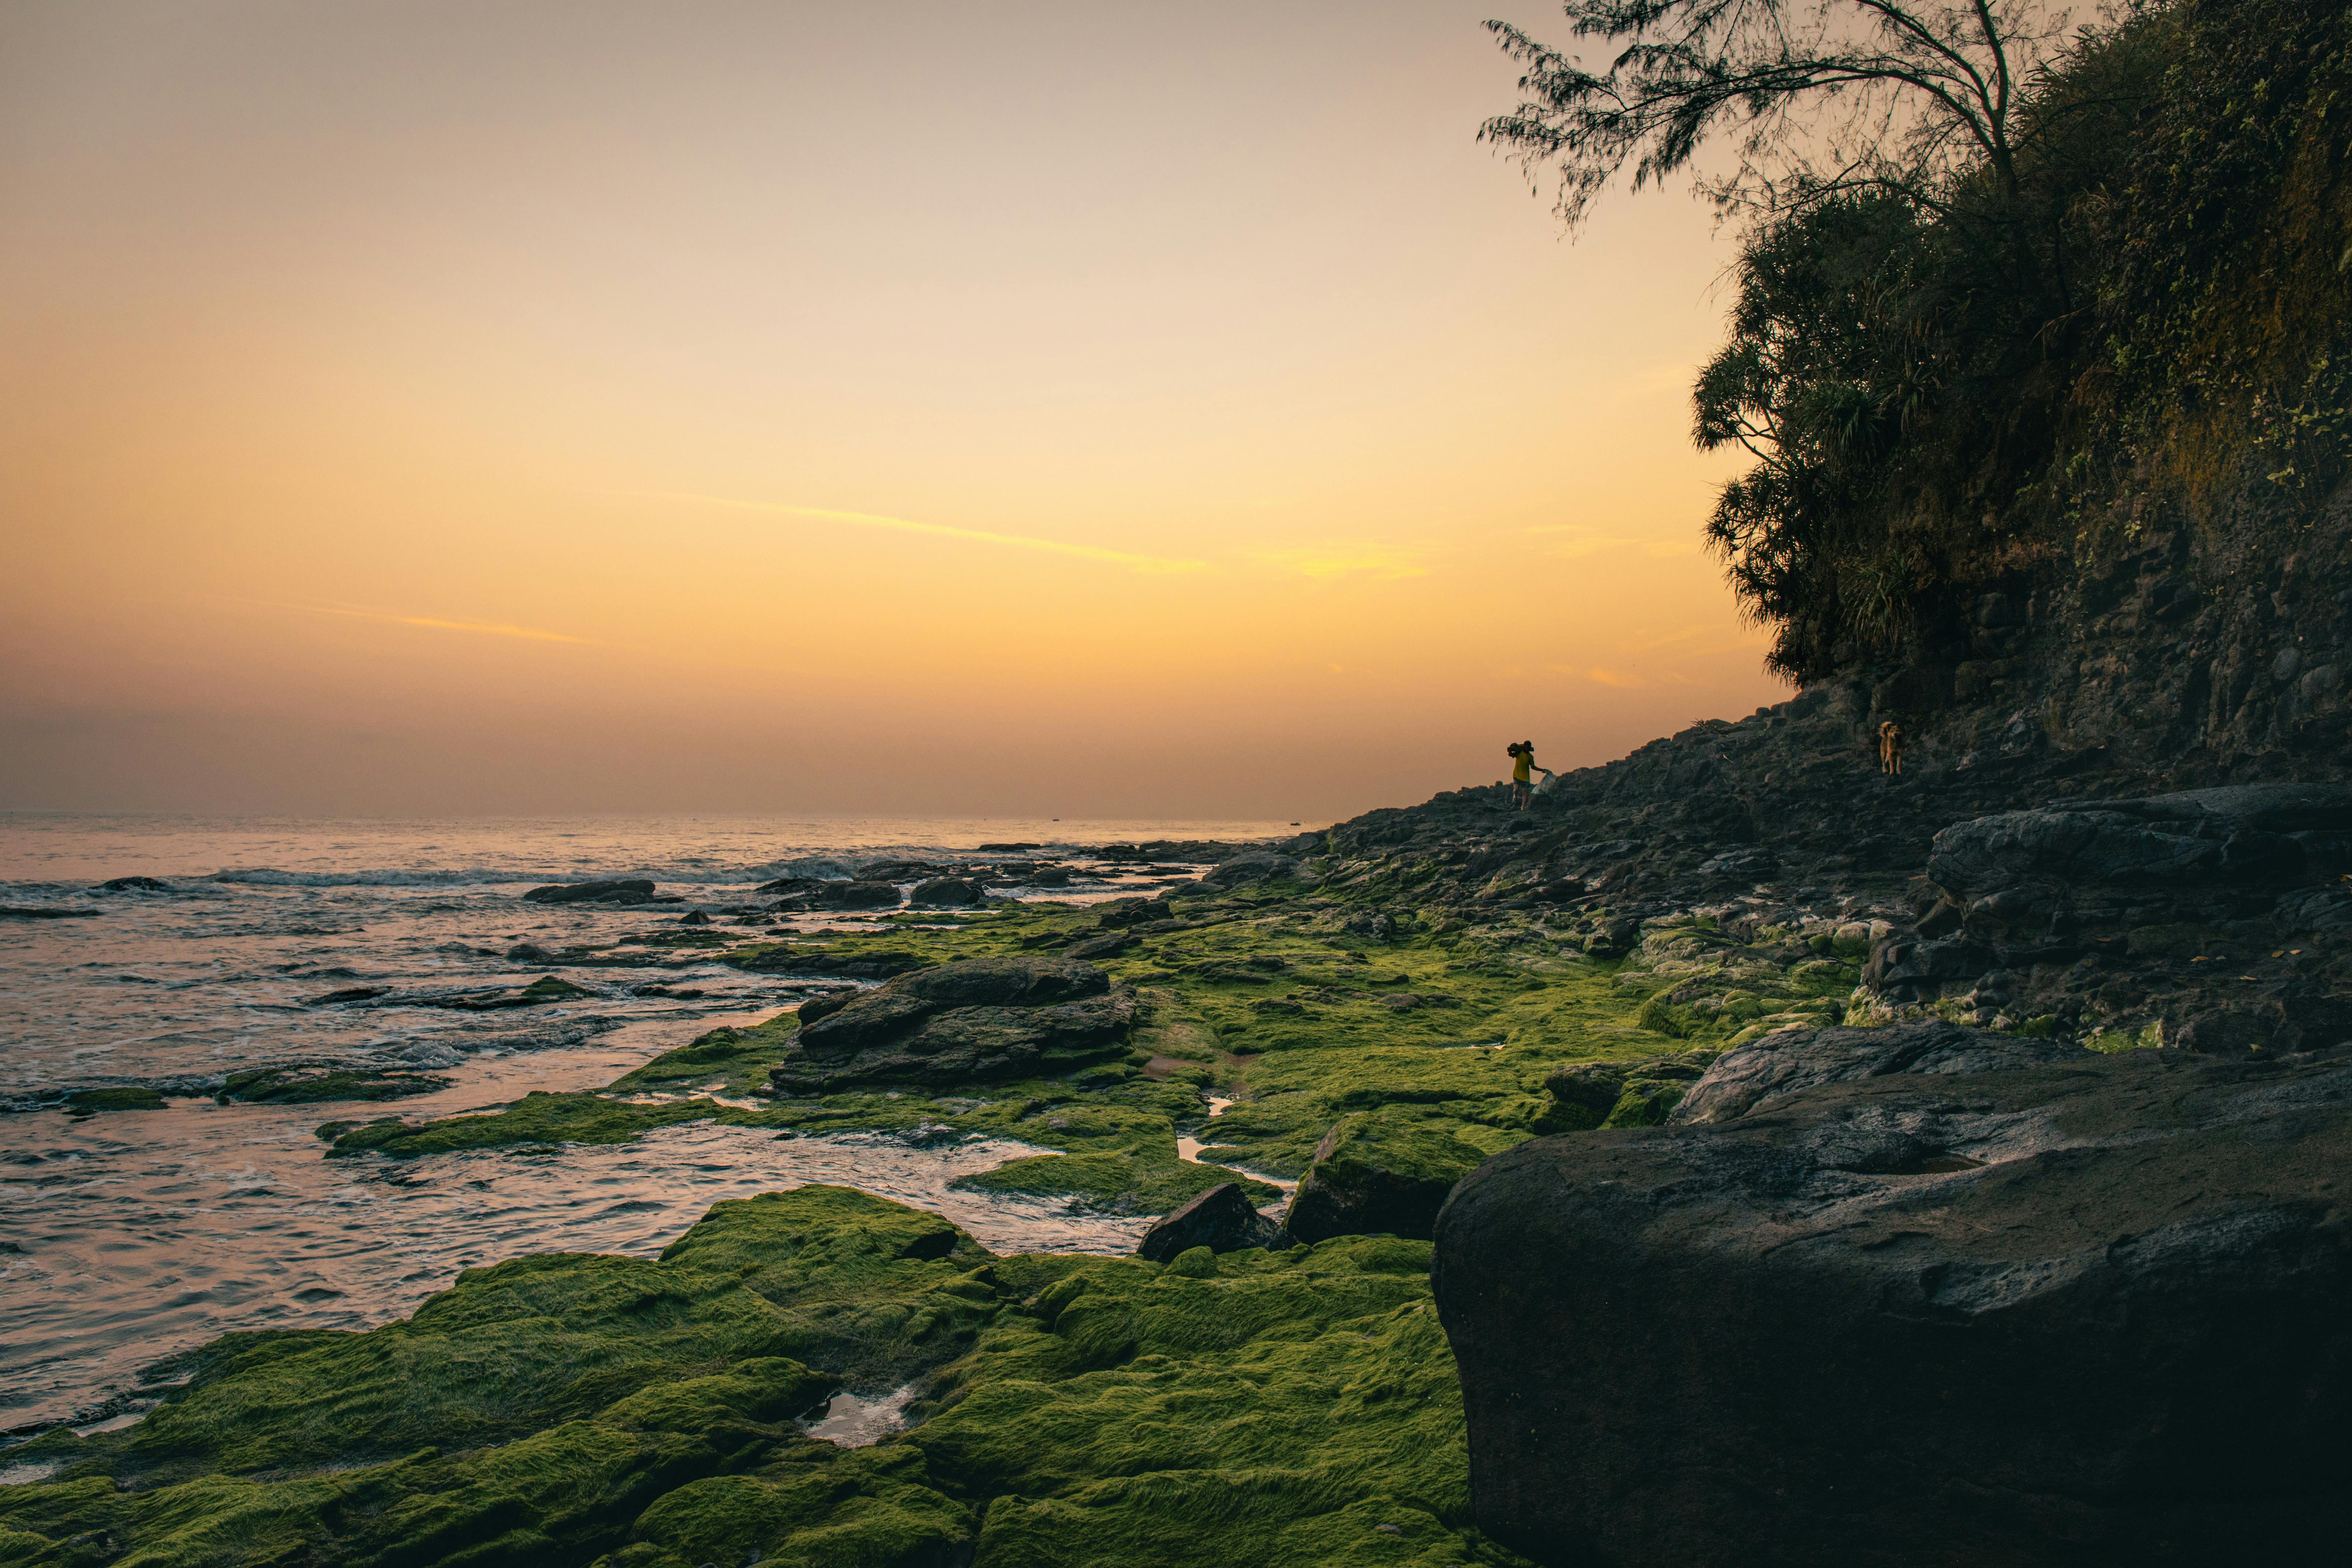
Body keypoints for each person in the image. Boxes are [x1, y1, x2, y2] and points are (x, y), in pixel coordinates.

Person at [1508, 740, 1536, 810]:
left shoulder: (1530, 756)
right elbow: (1510, 755)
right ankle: (1515, 796)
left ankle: (1523, 808)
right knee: (1516, 789)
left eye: (1529, 748)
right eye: (1526, 747)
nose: (1527, 749)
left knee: (1525, 792)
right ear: (1524, 747)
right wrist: (1511, 748)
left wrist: (1542, 770)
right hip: (1517, 775)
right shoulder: (1519, 753)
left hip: (1526, 777)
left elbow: (1533, 767)